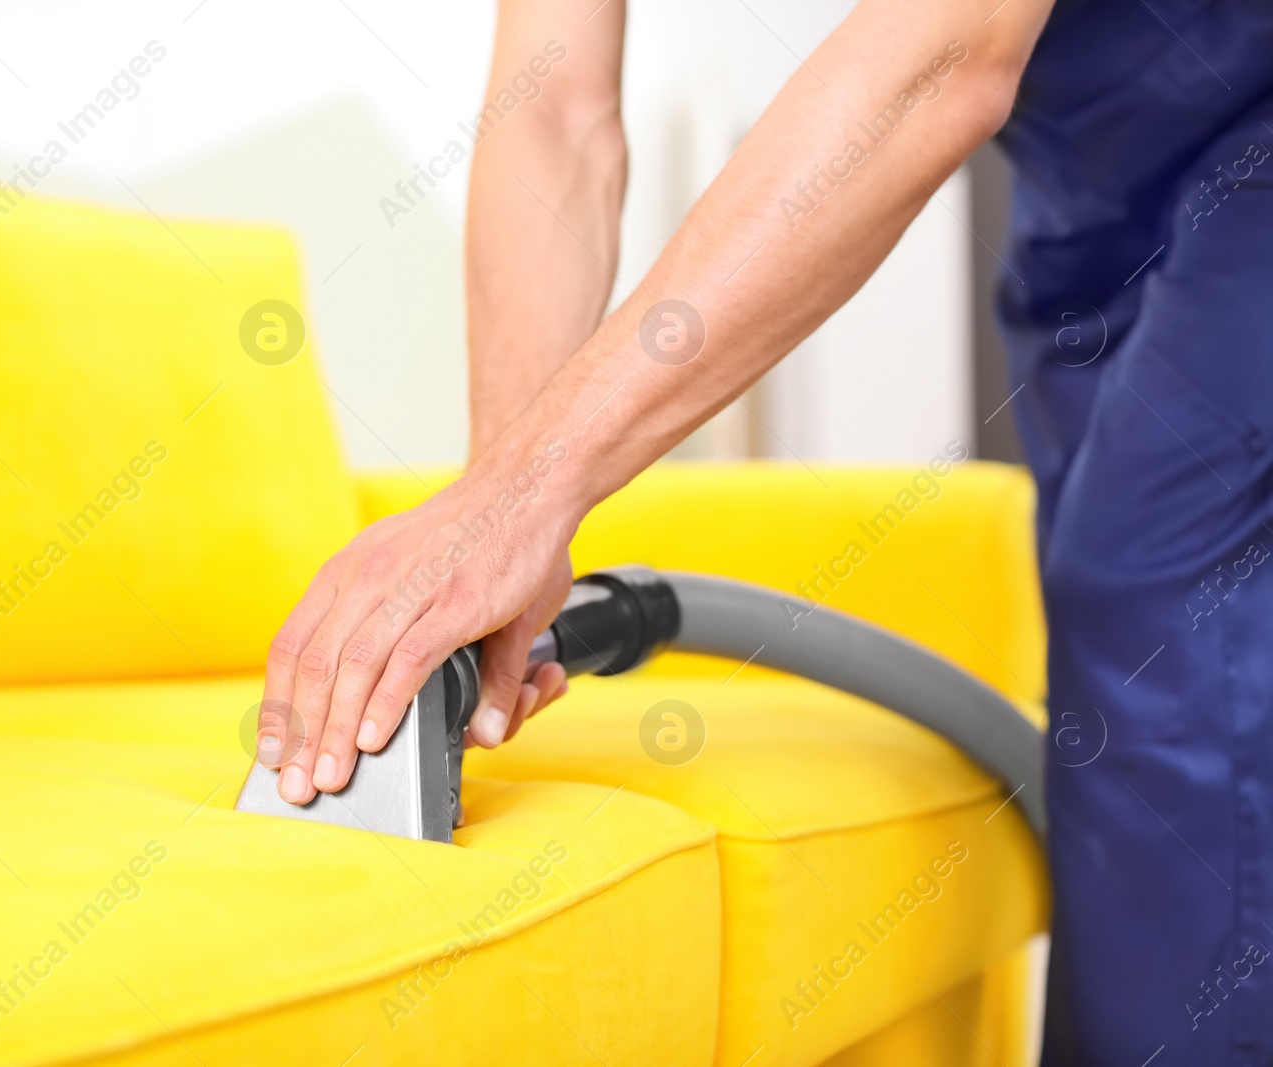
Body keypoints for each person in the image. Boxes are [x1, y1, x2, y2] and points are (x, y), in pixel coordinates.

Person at [259, 0, 1273, 1061]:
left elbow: (950, 54)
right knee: (1149, 717)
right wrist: (492, 543)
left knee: (1160, 622)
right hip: (1087, 177)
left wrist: (525, 490)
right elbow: (553, 108)